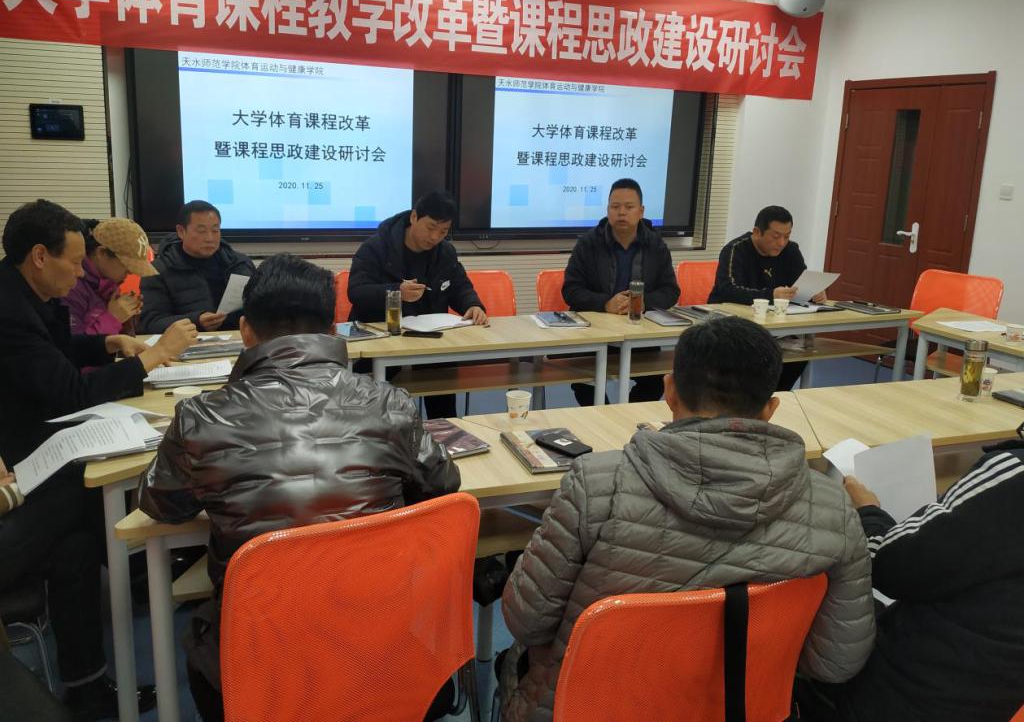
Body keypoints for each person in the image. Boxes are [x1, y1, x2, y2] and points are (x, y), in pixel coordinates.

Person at [499, 316, 875, 722]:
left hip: (592, 707)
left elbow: (526, 620)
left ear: (669, 390)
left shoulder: (595, 484)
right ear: (771, 409)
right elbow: (836, 661)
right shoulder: (834, 508)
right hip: (739, 709)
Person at [137, 254, 462, 722]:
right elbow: (443, 484)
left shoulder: (201, 416)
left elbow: (161, 504)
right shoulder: (389, 403)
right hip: (378, 644)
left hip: (261, 659)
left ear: (245, 331)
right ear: (331, 330)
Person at [0, 199, 196, 720]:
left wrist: (106, 343)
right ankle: (155, 567)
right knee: (85, 498)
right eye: (73, 261)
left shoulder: (32, 294)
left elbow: (60, 353)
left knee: (77, 544)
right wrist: (152, 357)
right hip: (19, 459)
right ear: (40, 256)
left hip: (28, 450)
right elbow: (67, 390)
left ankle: (86, 687)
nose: (79, 271)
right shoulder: (8, 310)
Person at [794, 436, 1024, 722]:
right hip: (993, 697)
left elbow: (888, 566)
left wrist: (867, 512)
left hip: (904, 696)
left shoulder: (1014, 475)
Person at [348, 190, 487, 418]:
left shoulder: (445, 253)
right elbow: (356, 292)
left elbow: (460, 287)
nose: (435, 237)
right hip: (383, 339)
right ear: (414, 217)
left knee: (442, 394)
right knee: (374, 409)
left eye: (443, 231)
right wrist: (396, 292)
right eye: (430, 227)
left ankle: (444, 433)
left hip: (430, 341)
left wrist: (473, 305)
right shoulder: (376, 248)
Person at [562, 178, 680, 405]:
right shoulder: (588, 243)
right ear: (608, 210)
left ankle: (627, 418)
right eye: (615, 207)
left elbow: (671, 290)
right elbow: (571, 289)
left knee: (655, 380)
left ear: (641, 211)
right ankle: (603, 417)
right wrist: (605, 303)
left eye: (629, 207)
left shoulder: (656, 245)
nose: (622, 213)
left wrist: (644, 303)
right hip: (594, 334)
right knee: (583, 382)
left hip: (640, 335)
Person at [709, 205, 825, 391]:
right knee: (753, 358)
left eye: (787, 236)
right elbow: (727, 290)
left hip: (776, 326)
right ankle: (753, 397)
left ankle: (773, 395)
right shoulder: (735, 250)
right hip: (733, 326)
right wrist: (770, 295)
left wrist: (814, 292)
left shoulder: (791, 250)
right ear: (757, 232)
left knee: (800, 354)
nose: (781, 243)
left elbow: (801, 283)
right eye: (776, 236)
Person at [139, 200, 256, 334]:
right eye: (201, 231)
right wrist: (196, 321)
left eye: (215, 230)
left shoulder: (240, 264)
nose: (209, 238)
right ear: (181, 231)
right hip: (189, 342)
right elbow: (149, 323)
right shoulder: (157, 271)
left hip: (239, 338)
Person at [61, 218, 156, 336]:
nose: (131, 272)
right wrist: (114, 318)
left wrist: (128, 317)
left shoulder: (108, 282)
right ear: (102, 253)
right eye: (127, 265)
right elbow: (72, 344)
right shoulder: (69, 287)